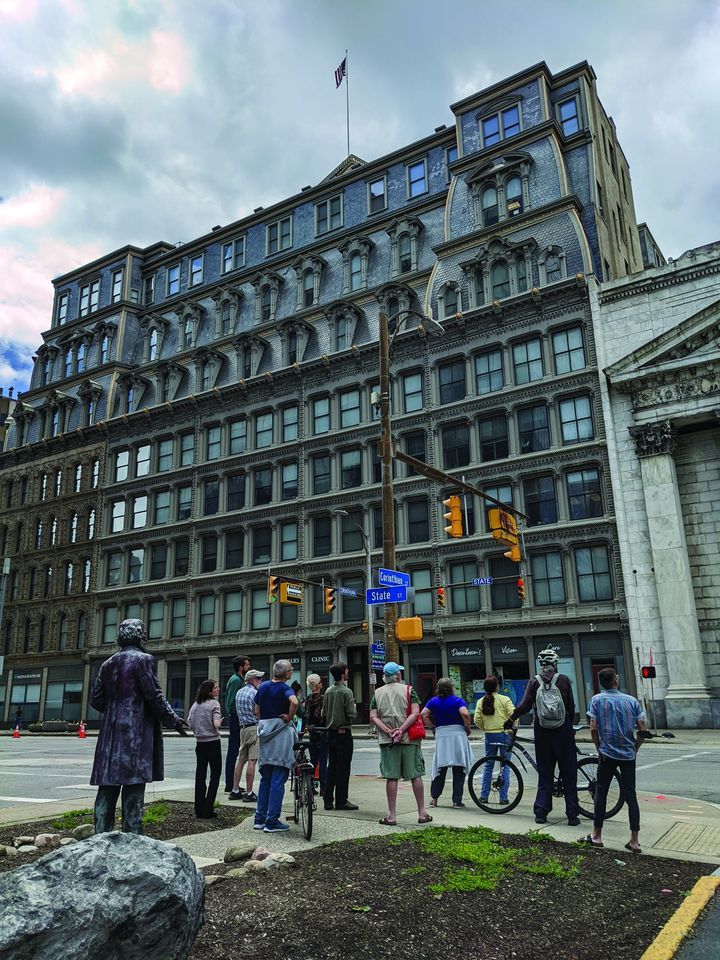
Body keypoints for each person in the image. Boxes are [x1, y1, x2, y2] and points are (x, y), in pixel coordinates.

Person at [90, 618, 188, 834]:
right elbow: (154, 696)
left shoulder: (107, 664)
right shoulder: (144, 660)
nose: (146, 635)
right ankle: (132, 838)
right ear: (139, 636)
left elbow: (96, 701)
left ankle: (99, 837)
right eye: (144, 632)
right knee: (133, 788)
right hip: (133, 734)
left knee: (107, 789)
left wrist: (115, 704)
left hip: (109, 735)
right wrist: (174, 720)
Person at [505, 648, 580, 826]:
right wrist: (569, 725)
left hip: (542, 731)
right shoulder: (563, 680)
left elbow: (524, 705)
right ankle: (572, 815)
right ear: (555, 664)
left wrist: (510, 720)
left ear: (541, 664)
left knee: (545, 772)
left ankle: (541, 812)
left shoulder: (534, 682)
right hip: (563, 731)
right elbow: (571, 706)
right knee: (569, 773)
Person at [582, 667, 648, 852]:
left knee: (601, 792)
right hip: (628, 753)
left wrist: (598, 747)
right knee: (630, 795)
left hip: (607, 753)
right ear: (615, 680)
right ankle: (634, 840)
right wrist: (636, 747)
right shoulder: (632, 701)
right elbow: (642, 727)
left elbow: (593, 728)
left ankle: (597, 834)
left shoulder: (596, 700)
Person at [370, 662, 431, 826]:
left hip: (388, 741)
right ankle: (422, 813)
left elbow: (373, 717)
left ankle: (392, 815)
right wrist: (401, 730)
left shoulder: (377, 693)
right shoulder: (409, 690)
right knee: (415, 775)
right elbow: (415, 713)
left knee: (392, 776)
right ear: (397, 675)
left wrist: (389, 731)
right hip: (409, 738)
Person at [254, 659, 298, 832]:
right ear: (286, 673)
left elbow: (256, 708)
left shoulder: (263, 686)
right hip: (280, 735)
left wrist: (262, 719)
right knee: (278, 778)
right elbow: (294, 702)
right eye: (291, 670)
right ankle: (272, 821)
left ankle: (260, 818)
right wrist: (289, 716)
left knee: (265, 778)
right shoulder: (285, 688)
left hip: (265, 733)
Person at [421, 677, 473, 808]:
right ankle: (457, 800)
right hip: (457, 735)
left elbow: (423, 714)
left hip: (442, 734)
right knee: (459, 767)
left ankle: (434, 798)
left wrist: (432, 727)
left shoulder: (433, 701)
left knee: (440, 766)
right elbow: (465, 714)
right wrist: (467, 727)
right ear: (452, 688)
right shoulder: (457, 701)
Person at [473, 676, 516, 804]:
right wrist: (511, 728)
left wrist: (485, 728)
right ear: (497, 687)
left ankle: (484, 795)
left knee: (488, 764)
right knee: (505, 765)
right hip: (504, 734)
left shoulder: (481, 701)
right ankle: (503, 797)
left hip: (490, 735)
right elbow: (514, 714)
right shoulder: (505, 699)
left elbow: (477, 720)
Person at [322, 662, 358, 811]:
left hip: (331, 732)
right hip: (343, 732)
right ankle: (341, 800)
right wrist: (354, 709)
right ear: (343, 673)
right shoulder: (346, 692)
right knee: (343, 768)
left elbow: (324, 713)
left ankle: (328, 799)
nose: (348, 672)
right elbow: (351, 714)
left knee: (332, 766)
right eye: (347, 670)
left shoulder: (328, 691)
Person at [187, 680, 223, 819]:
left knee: (200, 775)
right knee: (215, 775)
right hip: (213, 742)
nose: (218, 689)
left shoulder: (195, 705)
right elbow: (216, 724)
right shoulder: (214, 704)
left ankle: (199, 808)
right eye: (215, 688)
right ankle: (208, 809)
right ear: (210, 692)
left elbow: (189, 723)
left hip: (200, 743)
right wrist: (219, 721)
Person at [228, 669, 265, 802]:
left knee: (241, 760)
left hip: (242, 728)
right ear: (252, 680)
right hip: (253, 727)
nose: (260, 681)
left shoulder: (239, 692)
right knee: (252, 760)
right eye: (258, 679)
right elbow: (258, 712)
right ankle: (249, 793)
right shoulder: (255, 693)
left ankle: (235, 789)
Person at [224, 655, 250, 793]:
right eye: (247, 665)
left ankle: (232, 784)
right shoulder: (236, 681)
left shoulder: (239, 680)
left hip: (236, 719)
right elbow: (231, 703)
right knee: (233, 752)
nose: (249, 667)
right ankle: (230, 784)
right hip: (235, 719)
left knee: (236, 752)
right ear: (241, 667)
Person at [302, 673, 328, 796]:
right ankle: (324, 787)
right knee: (323, 762)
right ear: (318, 685)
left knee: (313, 761)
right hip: (322, 732)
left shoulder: (307, 699)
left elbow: (305, 715)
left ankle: (311, 786)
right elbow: (325, 715)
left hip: (312, 733)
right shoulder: (322, 699)